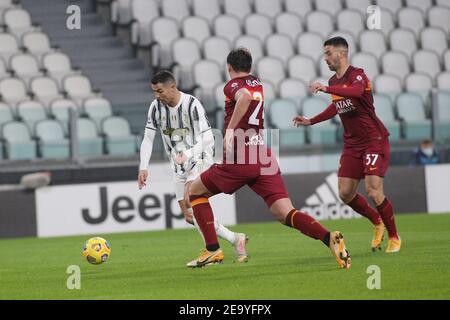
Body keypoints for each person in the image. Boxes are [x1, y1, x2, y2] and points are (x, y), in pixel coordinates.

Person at [186, 48, 351, 269]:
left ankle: (212, 250)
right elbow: (249, 93)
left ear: (229, 68)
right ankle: (328, 238)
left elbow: (243, 97)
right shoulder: (257, 83)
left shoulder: (232, 86)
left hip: (240, 157)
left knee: (194, 192)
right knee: (284, 213)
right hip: (262, 155)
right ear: (250, 67)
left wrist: (229, 130)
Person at [293, 37, 401, 253]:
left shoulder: (358, 75)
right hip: (352, 145)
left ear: (341, 54)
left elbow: (356, 93)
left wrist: (324, 88)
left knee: (373, 190)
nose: (325, 58)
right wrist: (311, 120)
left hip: (373, 140)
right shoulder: (333, 82)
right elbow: (336, 106)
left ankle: (394, 236)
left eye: (328, 53)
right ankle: (376, 221)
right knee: (345, 193)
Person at [138, 70, 249, 264]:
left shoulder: (191, 104)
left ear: (172, 87)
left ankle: (213, 251)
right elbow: (148, 138)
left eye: (160, 91)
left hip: (199, 158)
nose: (157, 96)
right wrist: (143, 167)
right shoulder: (156, 107)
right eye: (154, 92)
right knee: (190, 216)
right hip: (177, 165)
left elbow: (208, 138)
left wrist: (187, 154)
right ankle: (235, 238)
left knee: (191, 198)